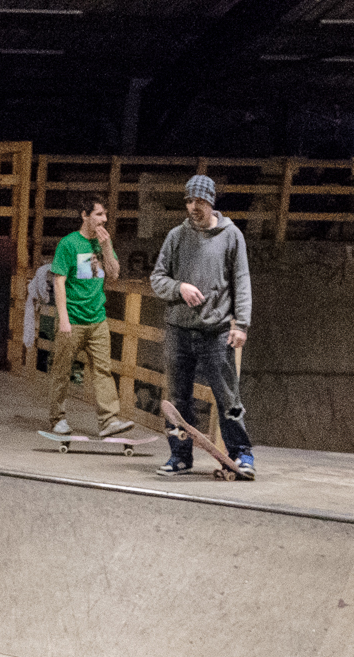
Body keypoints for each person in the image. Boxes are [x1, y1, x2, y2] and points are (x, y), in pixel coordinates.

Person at [149, 174, 254, 476]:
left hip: (216, 331)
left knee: (227, 396)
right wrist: (179, 287)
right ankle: (180, 456)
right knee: (178, 397)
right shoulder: (176, 236)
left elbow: (241, 282)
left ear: (211, 202)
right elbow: (157, 278)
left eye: (200, 201)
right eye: (189, 201)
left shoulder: (231, 235)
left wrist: (241, 324)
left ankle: (242, 453)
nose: (193, 207)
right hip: (179, 330)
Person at [47, 193, 132, 438]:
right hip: (73, 318)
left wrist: (106, 247)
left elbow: (114, 274)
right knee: (62, 370)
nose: (103, 219)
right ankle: (58, 418)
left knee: (103, 370)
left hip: (97, 319)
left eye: (105, 215)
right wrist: (63, 319)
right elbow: (59, 281)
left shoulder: (103, 243)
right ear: (84, 216)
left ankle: (109, 420)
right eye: (98, 214)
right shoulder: (69, 243)